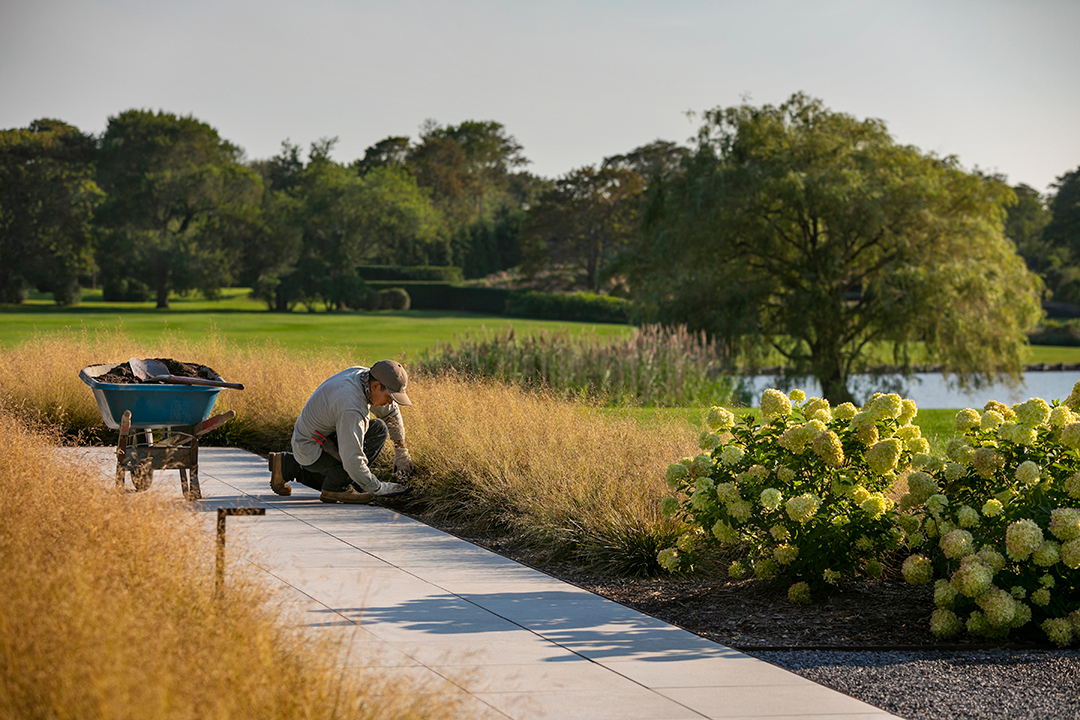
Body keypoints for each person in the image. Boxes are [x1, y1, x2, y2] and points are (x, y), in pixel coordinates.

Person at [267, 360, 416, 504]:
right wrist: (378, 488)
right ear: (376, 386)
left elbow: (391, 413)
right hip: (311, 448)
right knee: (357, 475)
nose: (390, 402)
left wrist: (401, 450)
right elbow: (352, 459)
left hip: (318, 440)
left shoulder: (364, 377)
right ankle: (337, 488)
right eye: (389, 397)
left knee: (377, 428)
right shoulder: (351, 406)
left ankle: (286, 465)